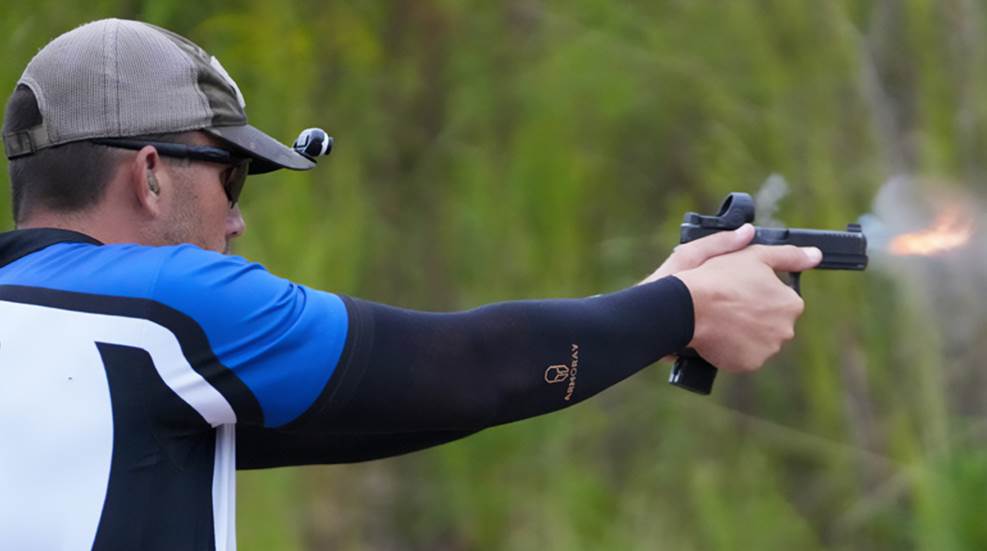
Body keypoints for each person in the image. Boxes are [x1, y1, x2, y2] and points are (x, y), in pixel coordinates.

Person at [0, 19, 821, 551]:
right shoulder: (171, 306)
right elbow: (463, 371)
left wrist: (655, 309)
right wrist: (685, 308)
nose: (236, 223)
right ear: (149, 175)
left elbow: (378, 412)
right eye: (233, 178)